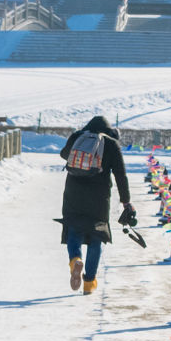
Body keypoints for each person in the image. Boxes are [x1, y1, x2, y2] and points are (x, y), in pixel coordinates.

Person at [57, 114, 134, 295]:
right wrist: (126, 201)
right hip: (99, 197)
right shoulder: (111, 144)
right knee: (96, 236)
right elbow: (120, 175)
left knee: (74, 230)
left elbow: (63, 154)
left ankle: (75, 260)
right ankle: (89, 282)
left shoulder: (78, 137)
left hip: (73, 193)